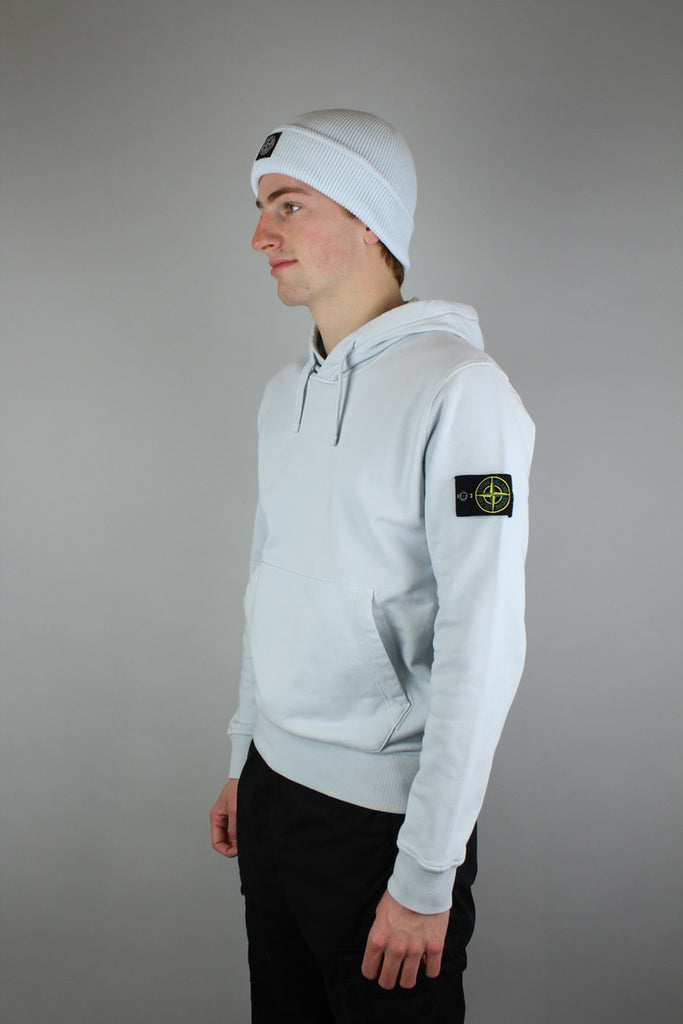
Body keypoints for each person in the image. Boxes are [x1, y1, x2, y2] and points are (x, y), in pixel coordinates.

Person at [210, 108, 535, 1023]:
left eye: (288, 205)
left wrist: (427, 870)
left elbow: (483, 638)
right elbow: (268, 576)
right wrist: (244, 753)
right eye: (260, 209)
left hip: (378, 824)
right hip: (273, 792)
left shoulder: (462, 392)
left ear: (370, 221)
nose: (259, 235)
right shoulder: (285, 394)